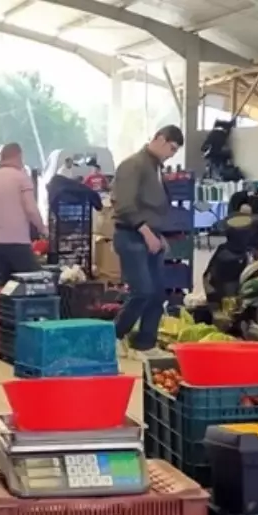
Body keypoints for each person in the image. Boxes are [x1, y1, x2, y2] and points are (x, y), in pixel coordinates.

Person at [110, 125, 183, 353]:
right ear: (160, 139)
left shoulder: (155, 168)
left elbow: (155, 207)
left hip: (151, 236)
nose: (172, 154)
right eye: (172, 148)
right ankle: (113, 336)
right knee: (142, 291)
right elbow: (124, 205)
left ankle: (145, 343)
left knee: (158, 293)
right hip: (132, 235)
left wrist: (159, 235)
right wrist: (147, 232)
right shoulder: (133, 165)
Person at [0, 142, 46, 278]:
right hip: (17, 242)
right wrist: (42, 229)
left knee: (7, 284)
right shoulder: (21, 178)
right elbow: (31, 209)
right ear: (19, 156)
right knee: (34, 281)